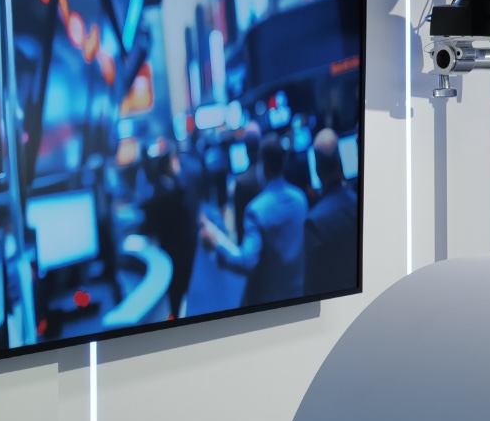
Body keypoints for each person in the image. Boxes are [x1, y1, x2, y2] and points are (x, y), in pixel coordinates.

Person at [199, 136, 308, 308]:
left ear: (262, 164)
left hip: (268, 304)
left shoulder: (256, 210)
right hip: (299, 294)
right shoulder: (300, 199)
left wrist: (215, 245)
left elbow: (247, 262)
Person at [140, 148, 198, 319]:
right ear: (168, 165)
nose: (178, 165)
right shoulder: (169, 194)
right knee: (178, 302)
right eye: (174, 161)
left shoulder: (170, 189)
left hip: (184, 255)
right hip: (176, 257)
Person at [303, 128, 359, 299]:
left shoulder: (314, 222)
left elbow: (311, 287)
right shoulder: (358, 202)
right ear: (340, 162)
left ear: (317, 169)